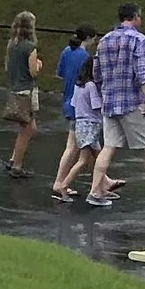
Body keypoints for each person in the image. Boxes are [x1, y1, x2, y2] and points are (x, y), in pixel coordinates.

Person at [89, 0, 145, 206]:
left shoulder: (105, 40)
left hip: (110, 102)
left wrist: (106, 92)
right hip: (132, 101)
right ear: (135, 17)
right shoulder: (139, 39)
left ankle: (95, 191)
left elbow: (97, 74)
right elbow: (142, 72)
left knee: (109, 146)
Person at [50, 23, 98, 198]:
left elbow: (60, 73)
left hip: (68, 100)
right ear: (88, 38)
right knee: (73, 147)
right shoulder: (85, 57)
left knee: (89, 146)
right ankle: (60, 181)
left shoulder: (66, 51)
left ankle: (102, 180)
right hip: (80, 107)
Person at [3, 7, 42, 172]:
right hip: (26, 91)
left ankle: (13, 159)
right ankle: (17, 165)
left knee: (29, 127)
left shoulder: (12, 46)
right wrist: (39, 64)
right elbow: (33, 72)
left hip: (15, 89)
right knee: (26, 130)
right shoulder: (30, 47)